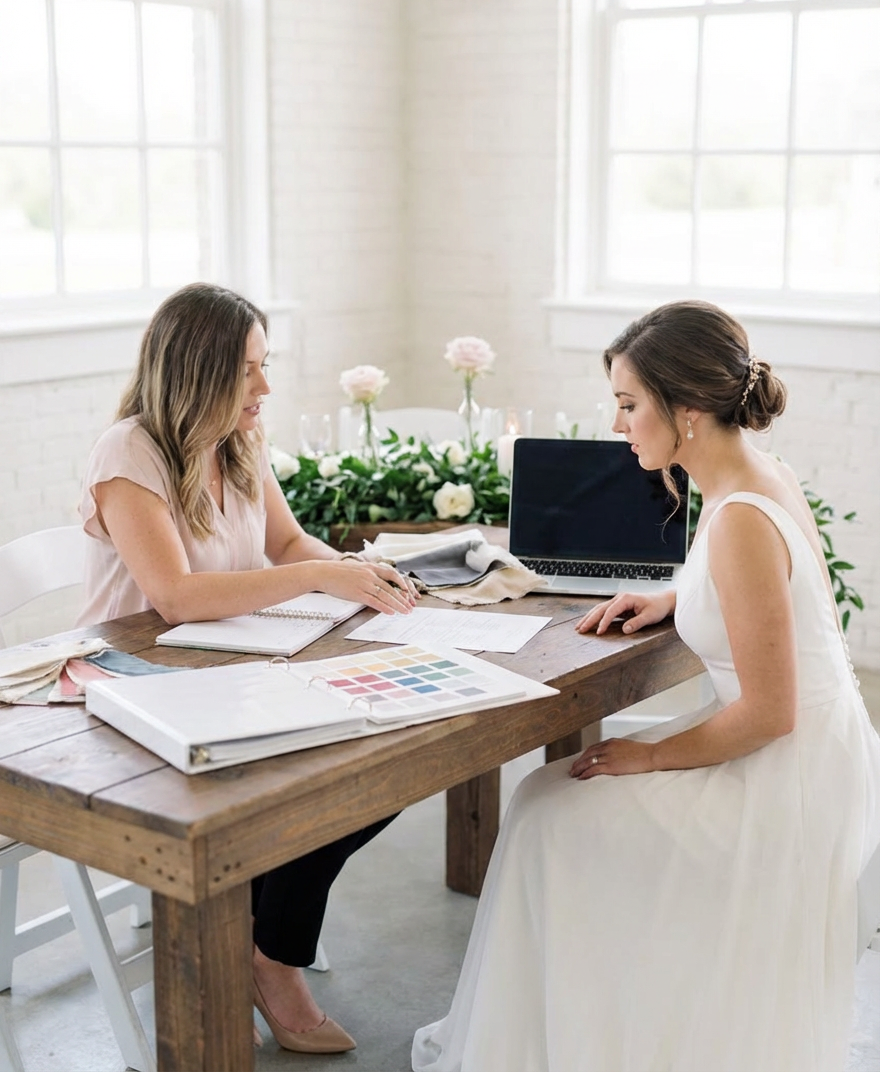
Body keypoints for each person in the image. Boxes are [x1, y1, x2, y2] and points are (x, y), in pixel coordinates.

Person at [412, 300, 880, 1072]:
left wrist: (645, 757)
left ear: (687, 410)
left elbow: (771, 712)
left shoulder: (738, 521)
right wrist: (676, 597)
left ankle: (562, 1042)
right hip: (812, 750)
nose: (620, 424)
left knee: (544, 812)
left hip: (788, 775)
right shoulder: (757, 478)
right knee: (544, 804)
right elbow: (776, 602)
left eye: (630, 405)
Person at [78, 282, 419, 1054]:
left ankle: (262, 946)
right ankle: (273, 959)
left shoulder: (239, 439)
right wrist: (317, 579)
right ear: (197, 373)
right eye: (247, 372)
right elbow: (174, 597)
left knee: (384, 758)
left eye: (265, 366)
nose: (265, 388)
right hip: (133, 682)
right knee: (301, 776)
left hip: (226, 670)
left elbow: (290, 545)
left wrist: (356, 573)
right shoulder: (128, 451)